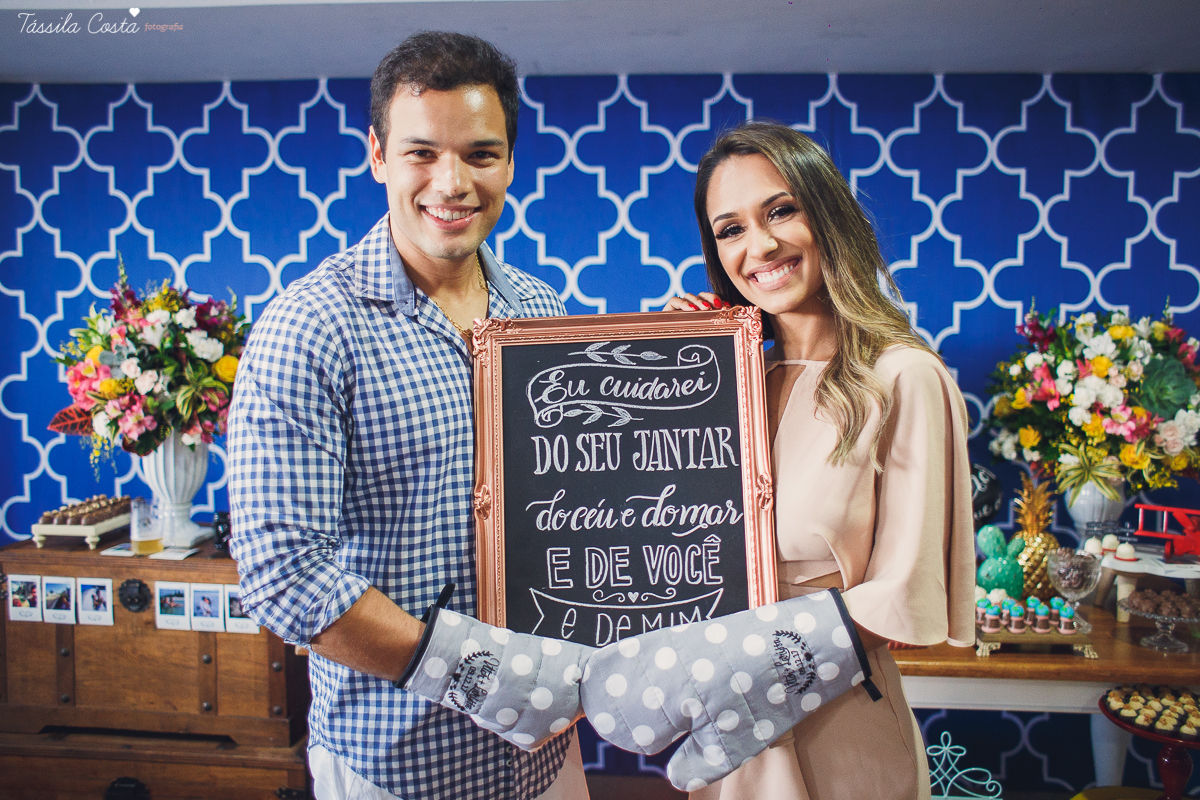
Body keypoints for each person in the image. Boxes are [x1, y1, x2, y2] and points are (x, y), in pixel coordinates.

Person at [227, 32, 590, 800]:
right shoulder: (310, 326)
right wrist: (489, 678)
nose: (451, 182)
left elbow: (570, 507)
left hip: (546, 759)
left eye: (480, 155)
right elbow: (283, 578)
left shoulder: (540, 308)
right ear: (378, 156)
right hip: (395, 767)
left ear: (512, 163)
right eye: (422, 152)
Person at [641, 122, 975, 798]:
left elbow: (905, 593)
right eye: (729, 229)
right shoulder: (738, 385)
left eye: (781, 211)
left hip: (838, 724)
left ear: (827, 215)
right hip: (726, 729)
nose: (758, 246)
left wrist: (744, 652)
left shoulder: (905, 377)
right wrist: (673, 374)